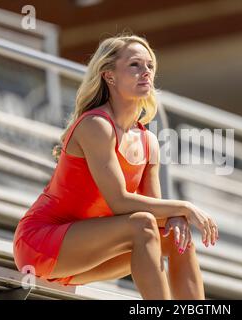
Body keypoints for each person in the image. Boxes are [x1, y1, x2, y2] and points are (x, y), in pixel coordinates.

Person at [13, 33, 219, 300]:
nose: (145, 72)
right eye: (134, 65)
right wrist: (185, 207)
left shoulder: (148, 141)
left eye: (150, 66)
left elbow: (155, 213)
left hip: (85, 253)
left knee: (176, 235)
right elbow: (121, 202)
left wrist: (177, 217)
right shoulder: (96, 125)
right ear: (109, 76)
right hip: (41, 243)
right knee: (143, 223)